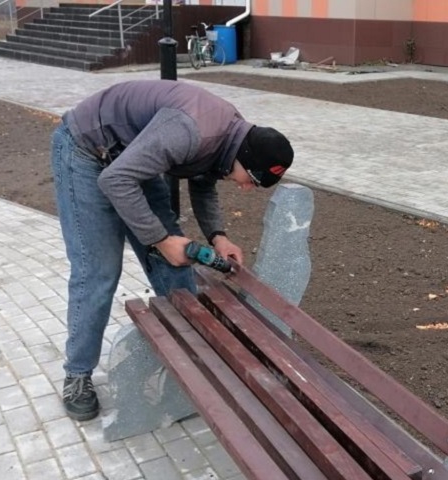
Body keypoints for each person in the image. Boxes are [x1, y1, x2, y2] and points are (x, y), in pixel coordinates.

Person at [51, 79, 294, 421]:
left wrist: (217, 235)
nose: (246, 188)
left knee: (175, 266)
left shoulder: (232, 138)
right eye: (251, 180)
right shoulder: (191, 130)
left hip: (133, 155)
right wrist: (160, 240)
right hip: (87, 152)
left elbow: (204, 180)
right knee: (99, 271)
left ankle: (192, 360)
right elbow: (115, 181)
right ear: (246, 157)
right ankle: (77, 374)